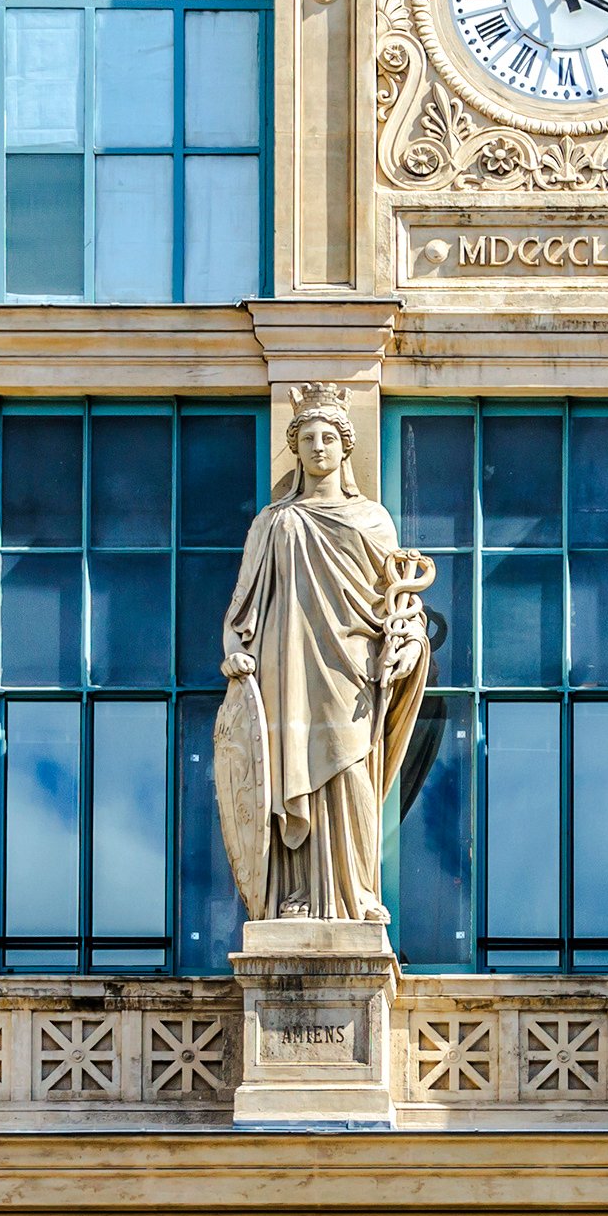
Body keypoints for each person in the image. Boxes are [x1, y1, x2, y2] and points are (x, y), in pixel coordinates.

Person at [217, 383, 432, 922]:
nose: (317, 447)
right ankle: (300, 895)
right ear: (295, 447)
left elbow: (399, 601)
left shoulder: (373, 520)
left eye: (328, 437)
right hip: (285, 662)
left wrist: (408, 643)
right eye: (307, 437)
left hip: (353, 665)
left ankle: (355, 890)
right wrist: (234, 655)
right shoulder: (273, 522)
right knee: (295, 768)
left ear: (344, 446)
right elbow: (242, 609)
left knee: (353, 768)